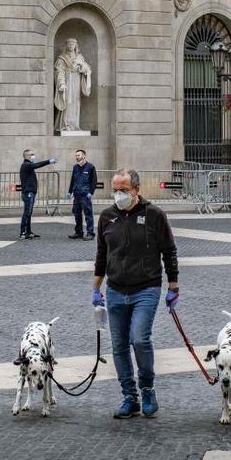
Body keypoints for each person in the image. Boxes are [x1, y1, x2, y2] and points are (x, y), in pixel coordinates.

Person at [92, 168, 179, 419]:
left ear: (137, 190)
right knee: (119, 346)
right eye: (115, 190)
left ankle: (147, 388)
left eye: (124, 190)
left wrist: (173, 286)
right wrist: (95, 289)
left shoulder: (154, 215)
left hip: (146, 288)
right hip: (116, 289)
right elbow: (101, 255)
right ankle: (129, 397)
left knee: (139, 339)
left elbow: (169, 251)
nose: (118, 194)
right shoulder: (107, 217)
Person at [19, 149, 58, 239]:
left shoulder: (28, 165)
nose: (34, 156)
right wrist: (49, 161)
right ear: (26, 156)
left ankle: (28, 232)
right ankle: (22, 233)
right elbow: (37, 165)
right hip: (28, 193)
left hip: (31, 192)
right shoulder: (26, 165)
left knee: (29, 213)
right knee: (27, 213)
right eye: (31, 154)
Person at [66, 149, 97, 240]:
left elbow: (94, 181)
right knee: (77, 214)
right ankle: (78, 232)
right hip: (76, 194)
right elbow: (72, 180)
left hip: (85, 195)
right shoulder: (75, 167)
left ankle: (90, 233)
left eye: (78, 155)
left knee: (88, 214)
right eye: (76, 155)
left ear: (84, 156)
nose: (77, 157)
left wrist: (91, 192)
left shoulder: (90, 167)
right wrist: (69, 191)